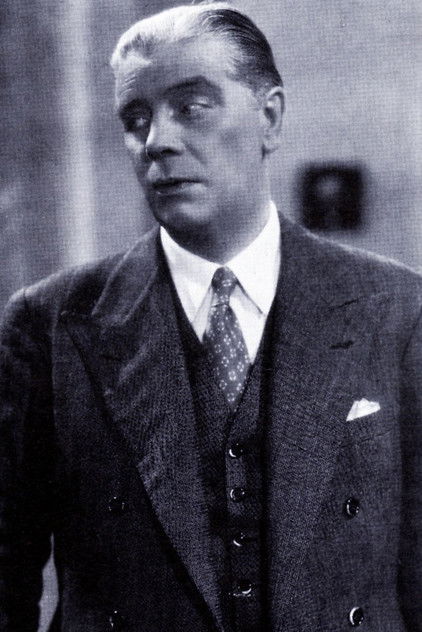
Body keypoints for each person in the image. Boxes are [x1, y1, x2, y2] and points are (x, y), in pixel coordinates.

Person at [0, 3, 421, 631]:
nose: (156, 141)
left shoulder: (397, 310)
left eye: (191, 107)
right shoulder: (51, 324)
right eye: (135, 119)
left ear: (269, 118)